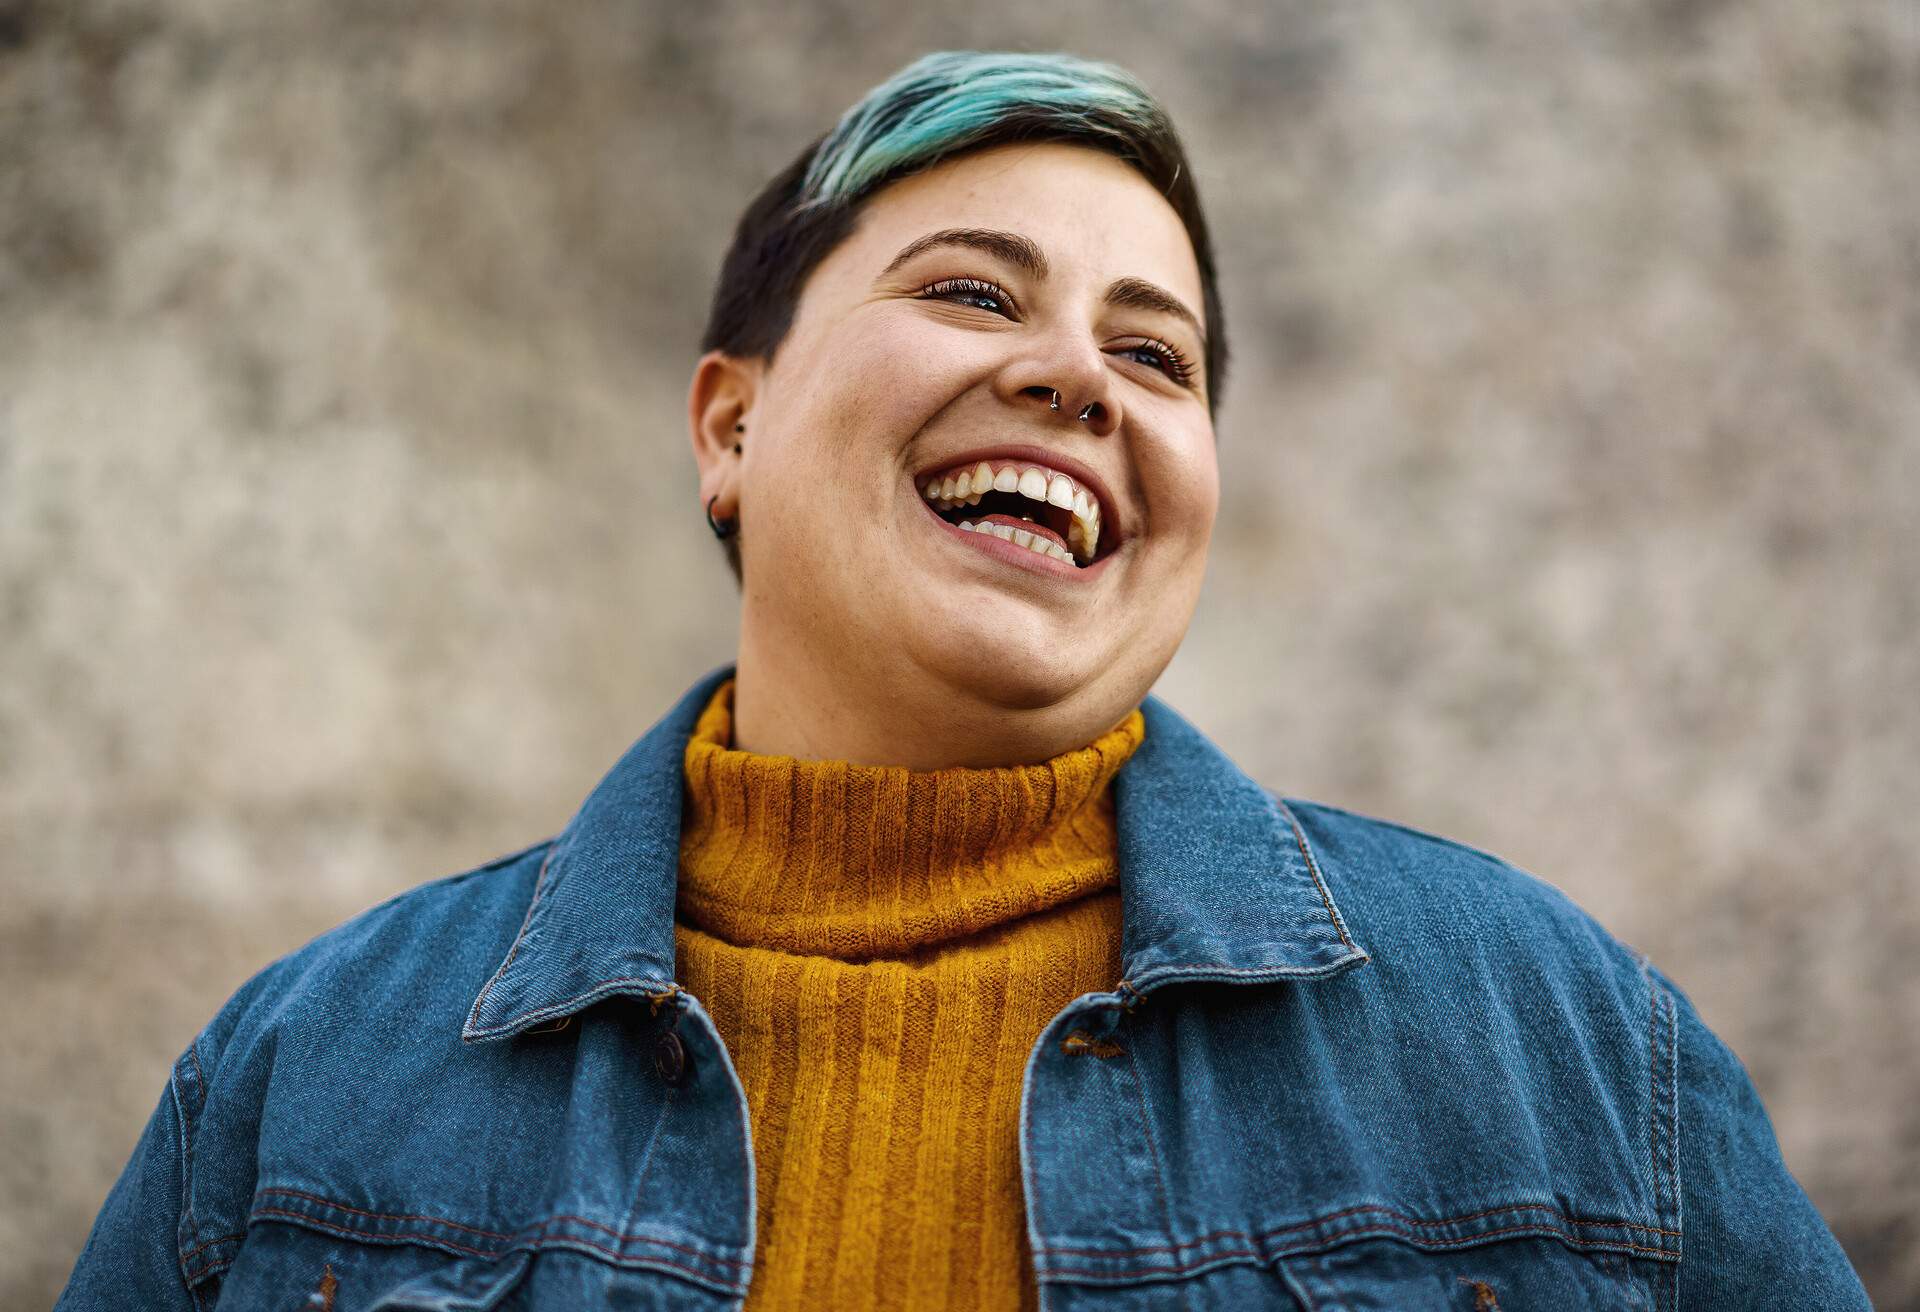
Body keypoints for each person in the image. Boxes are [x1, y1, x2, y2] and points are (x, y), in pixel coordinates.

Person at [58, 49, 1868, 1312]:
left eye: (1154, 355)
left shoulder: (1555, 1046)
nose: (1082, 377)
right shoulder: (305, 1085)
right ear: (732, 424)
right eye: (981, 297)